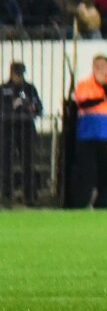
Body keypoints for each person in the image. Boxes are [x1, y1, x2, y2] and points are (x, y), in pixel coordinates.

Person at [72, 54, 107, 209]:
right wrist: (102, 98)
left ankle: (101, 204)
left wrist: (104, 86)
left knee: (106, 172)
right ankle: (82, 203)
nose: (100, 69)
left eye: (102, 66)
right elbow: (83, 102)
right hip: (87, 136)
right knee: (87, 172)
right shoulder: (84, 84)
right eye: (97, 66)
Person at [2, 61, 43, 204]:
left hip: (26, 128)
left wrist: (32, 107)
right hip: (8, 128)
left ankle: (29, 194)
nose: (18, 77)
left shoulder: (30, 88)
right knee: (5, 162)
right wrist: (11, 106)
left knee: (28, 161)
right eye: (16, 74)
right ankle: (6, 194)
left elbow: (39, 108)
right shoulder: (4, 88)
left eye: (20, 74)